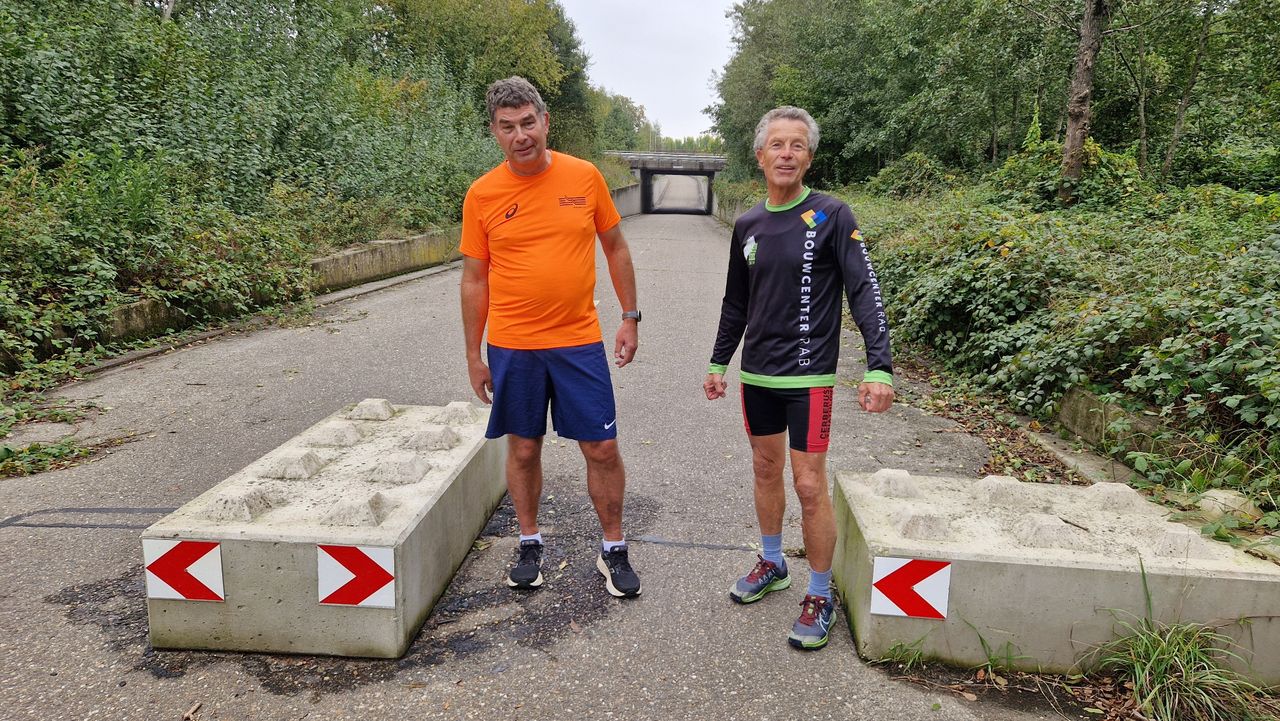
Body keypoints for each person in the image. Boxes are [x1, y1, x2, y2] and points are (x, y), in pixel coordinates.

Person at [703, 106, 894, 649]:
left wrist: (879, 364)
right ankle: (771, 563)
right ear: (759, 156)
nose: (786, 154)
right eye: (776, 145)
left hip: (808, 379)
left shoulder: (832, 214)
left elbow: (864, 289)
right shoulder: (747, 224)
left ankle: (818, 591)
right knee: (765, 471)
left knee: (808, 484)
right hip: (756, 376)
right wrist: (719, 362)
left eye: (797, 146)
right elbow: (736, 302)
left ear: (809, 156)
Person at [460, 76, 642, 598]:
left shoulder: (583, 178)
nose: (521, 135)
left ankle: (613, 550)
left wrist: (629, 316)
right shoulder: (483, 194)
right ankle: (529, 543)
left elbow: (617, 248)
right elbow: (474, 279)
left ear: (545, 122)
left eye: (528, 122)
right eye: (507, 126)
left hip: (577, 341)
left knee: (602, 446)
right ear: (495, 133)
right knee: (523, 448)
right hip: (514, 345)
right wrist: (475, 355)